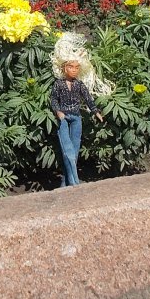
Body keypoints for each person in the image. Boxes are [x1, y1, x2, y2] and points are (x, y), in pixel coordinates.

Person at [49, 33, 112, 187]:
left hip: (76, 117)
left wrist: (96, 111)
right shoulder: (59, 84)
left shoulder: (79, 85)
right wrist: (58, 111)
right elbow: (53, 99)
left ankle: (66, 181)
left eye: (77, 67)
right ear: (64, 68)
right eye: (71, 67)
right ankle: (74, 183)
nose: (74, 70)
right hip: (63, 117)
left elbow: (89, 99)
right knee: (67, 149)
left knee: (75, 149)